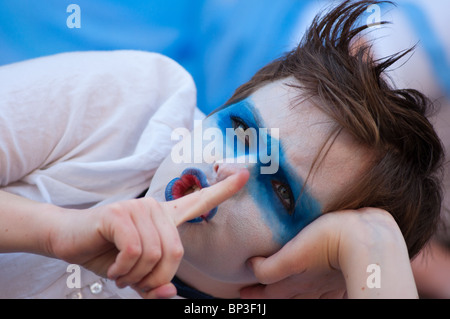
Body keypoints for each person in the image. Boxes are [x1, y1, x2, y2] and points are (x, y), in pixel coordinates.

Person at [0, 0, 444, 299]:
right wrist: (54, 232)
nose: (223, 168)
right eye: (239, 127)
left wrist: (372, 247)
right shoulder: (134, 101)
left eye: (281, 192)